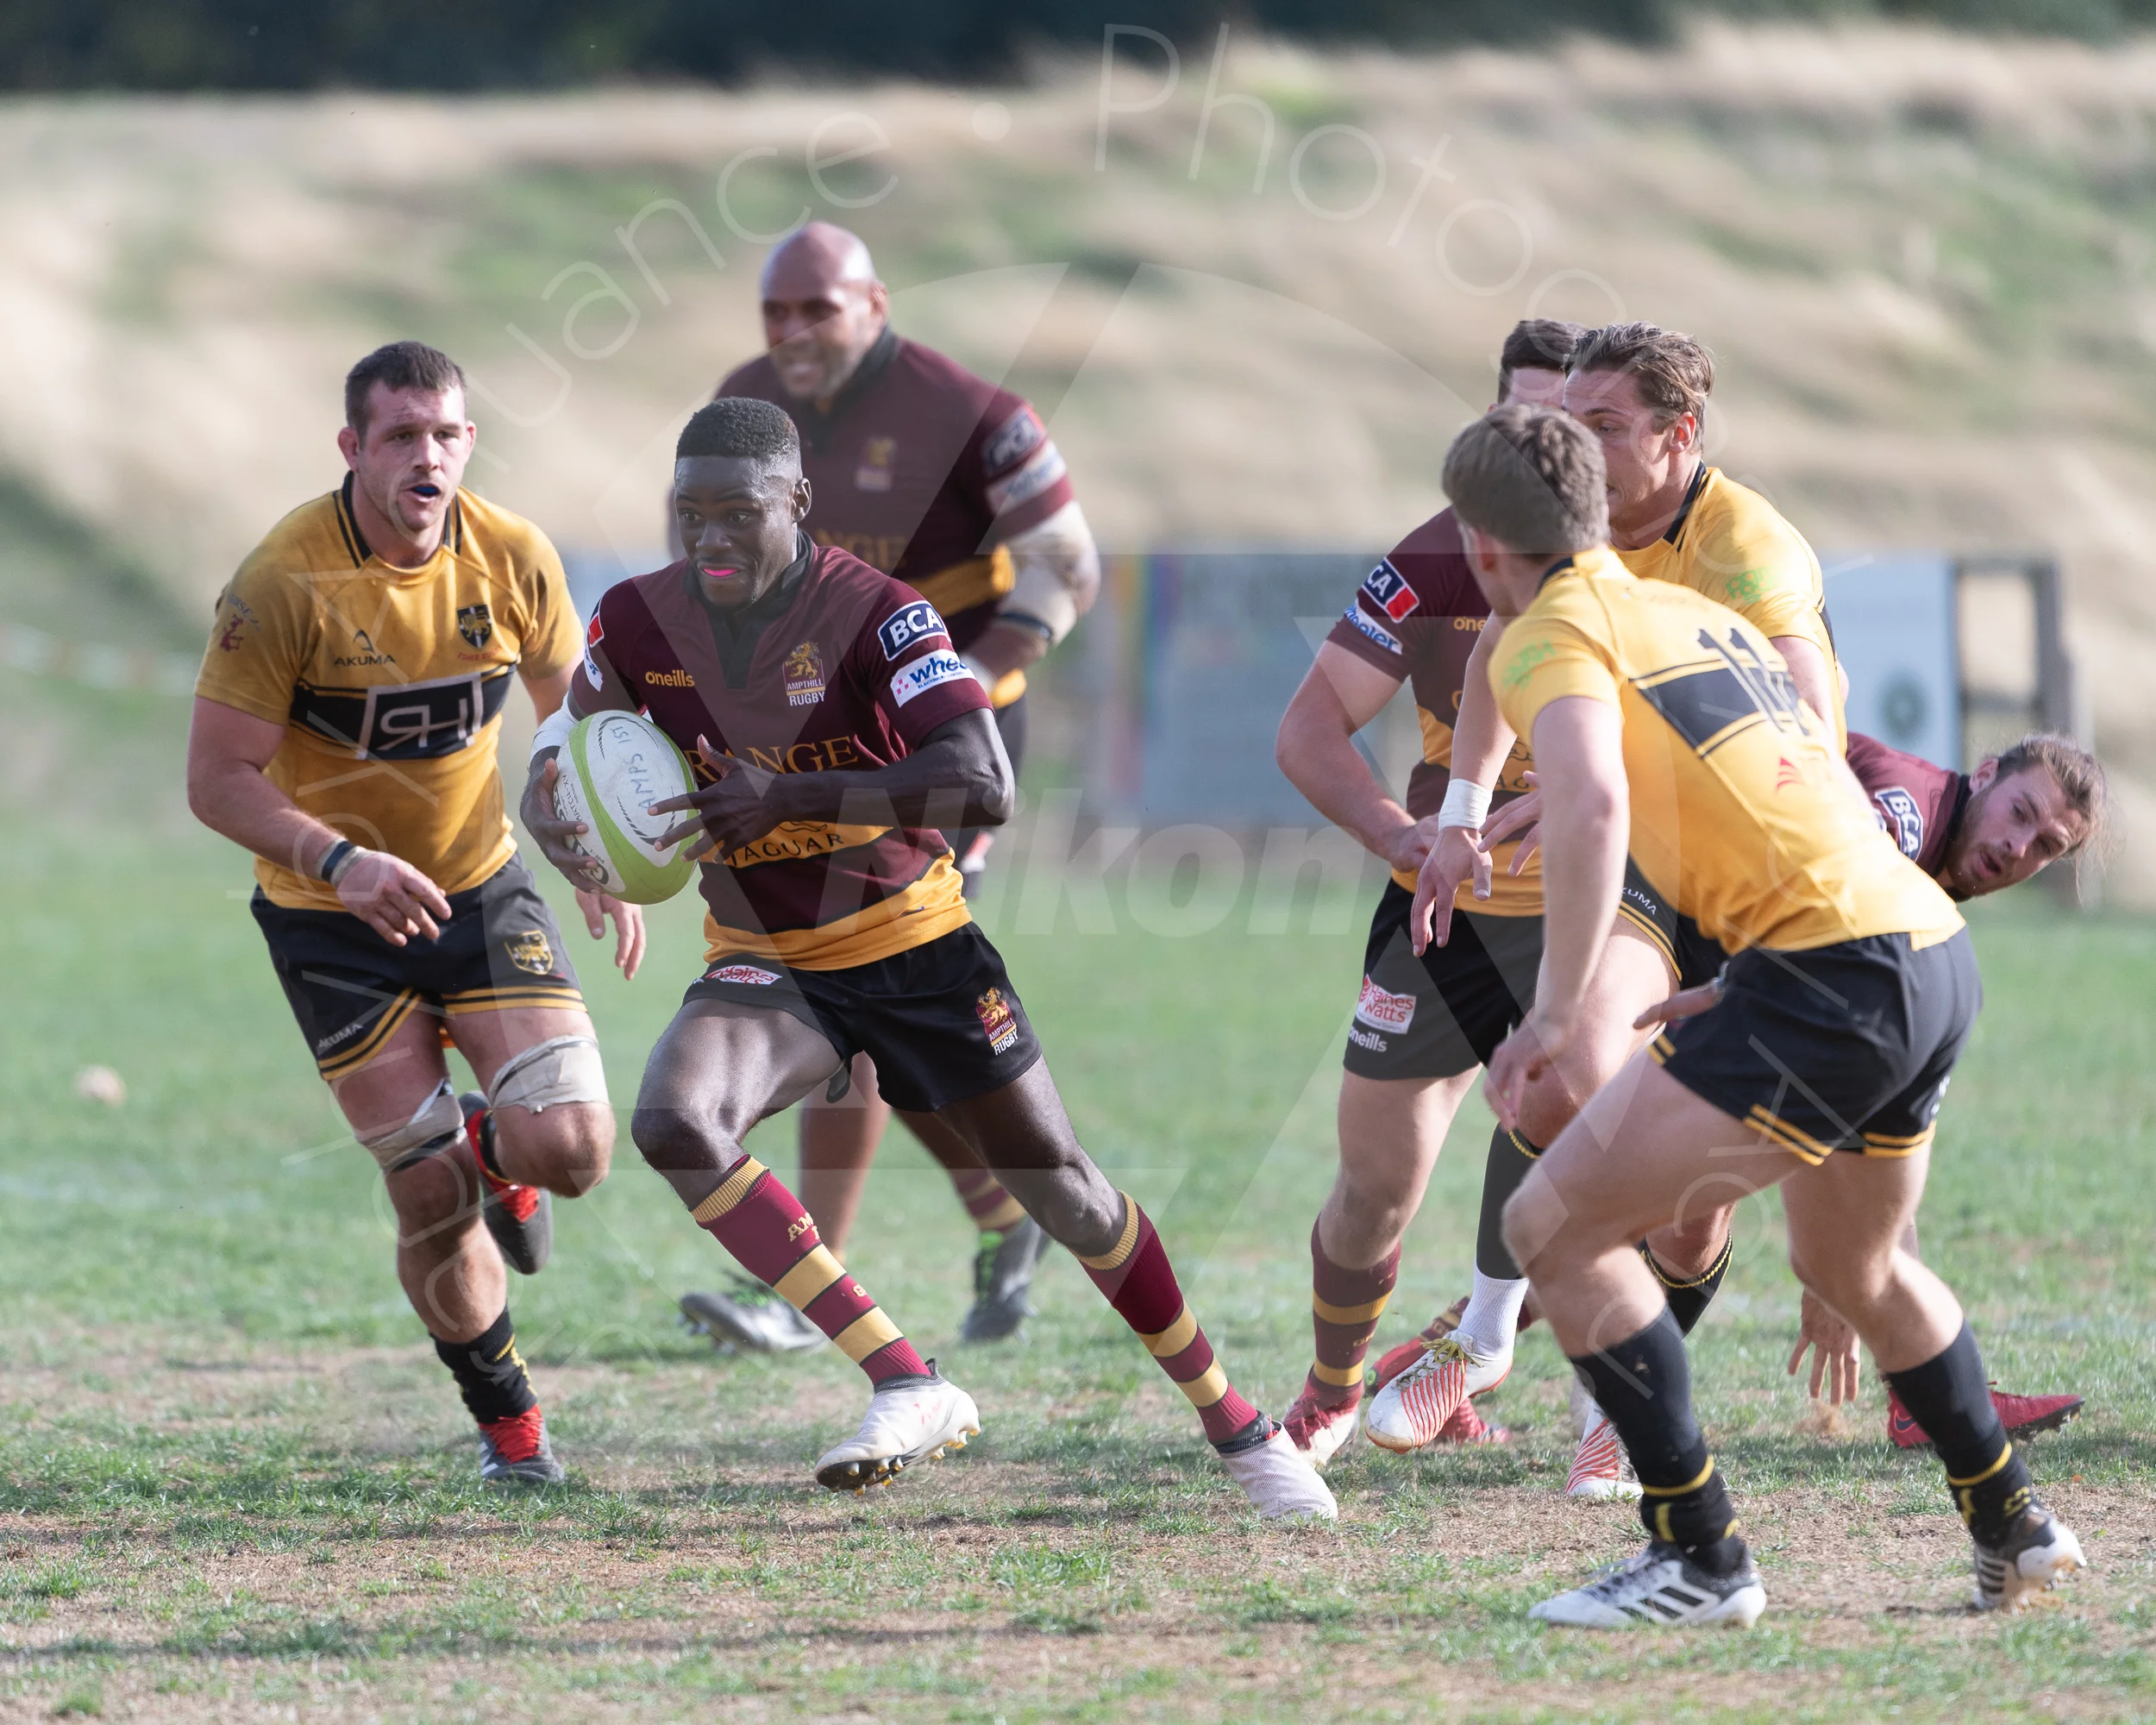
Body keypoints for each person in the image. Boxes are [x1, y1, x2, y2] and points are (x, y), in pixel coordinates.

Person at [518, 398, 1332, 1516]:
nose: (707, 537)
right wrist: (568, 827)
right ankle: (906, 1379)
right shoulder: (634, 621)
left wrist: (789, 798)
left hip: (915, 944)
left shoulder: (876, 615)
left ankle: (1237, 1427)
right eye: (688, 512)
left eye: (737, 513)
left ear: (797, 504)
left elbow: (983, 778)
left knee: (1073, 1198)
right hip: (769, 959)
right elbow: (576, 744)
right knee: (673, 1118)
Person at [1452, 403, 2084, 1624]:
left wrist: (1554, 1011)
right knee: (1856, 1262)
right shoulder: (1685, 610)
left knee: (1551, 1225)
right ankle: (2013, 1524)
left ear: (1485, 548)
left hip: (1829, 973)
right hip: (1931, 953)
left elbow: (1587, 806)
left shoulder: (1552, 633)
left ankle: (1702, 1555)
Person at [1372, 321, 1853, 1498]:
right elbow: (1503, 647)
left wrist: (1583, 795)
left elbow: (1808, 734)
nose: (1574, 446)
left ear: (1679, 436)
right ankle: (1500, 1351)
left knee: (1688, 1219)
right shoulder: (1578, 525)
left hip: (1755, 882)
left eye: (1603, 426)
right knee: (1564, 1068)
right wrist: (1467, 811)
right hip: (1647, 865)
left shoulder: (1749, 552)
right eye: (1568, 422)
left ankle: (1615, 1394)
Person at [187, 341, 642, 1487]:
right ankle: (514, 1434)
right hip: (329, 916)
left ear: (468, 443)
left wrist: (592, 848)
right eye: (400, 437)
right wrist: (338, 862)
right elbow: (217, 779)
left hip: (478, 887)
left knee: (578, 1150)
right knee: (428, 1196)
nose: (425, 458)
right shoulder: (283, 584)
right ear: (353, 449)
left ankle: (498, 1140)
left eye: (444, 435)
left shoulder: (515, 556)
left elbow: (576, 720)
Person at [680, 222, 1101, 1352]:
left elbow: (1068, 563)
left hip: (930, 763)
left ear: (875, 299)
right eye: (777, 311)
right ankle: (998, 1213)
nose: (793, 331)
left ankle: (804, 1290)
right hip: (790, 765)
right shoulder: (745, 405)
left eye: (817, 308)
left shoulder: (973, 414)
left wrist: (978, 674)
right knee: (875, 1017)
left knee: (846, 988)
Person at [1270, 317, 1589, 1469]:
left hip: (1592, 912)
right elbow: (1307, 732)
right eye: (1524, 416)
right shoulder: (1433, 561)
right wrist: (1400, 835)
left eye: (1572, 417)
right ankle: (1335, 1386)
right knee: (1372, 1192)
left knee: (1581, 1133)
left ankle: (1526, 1371)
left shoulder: (1645, 566)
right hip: (1448, 911)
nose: (1546, 439)